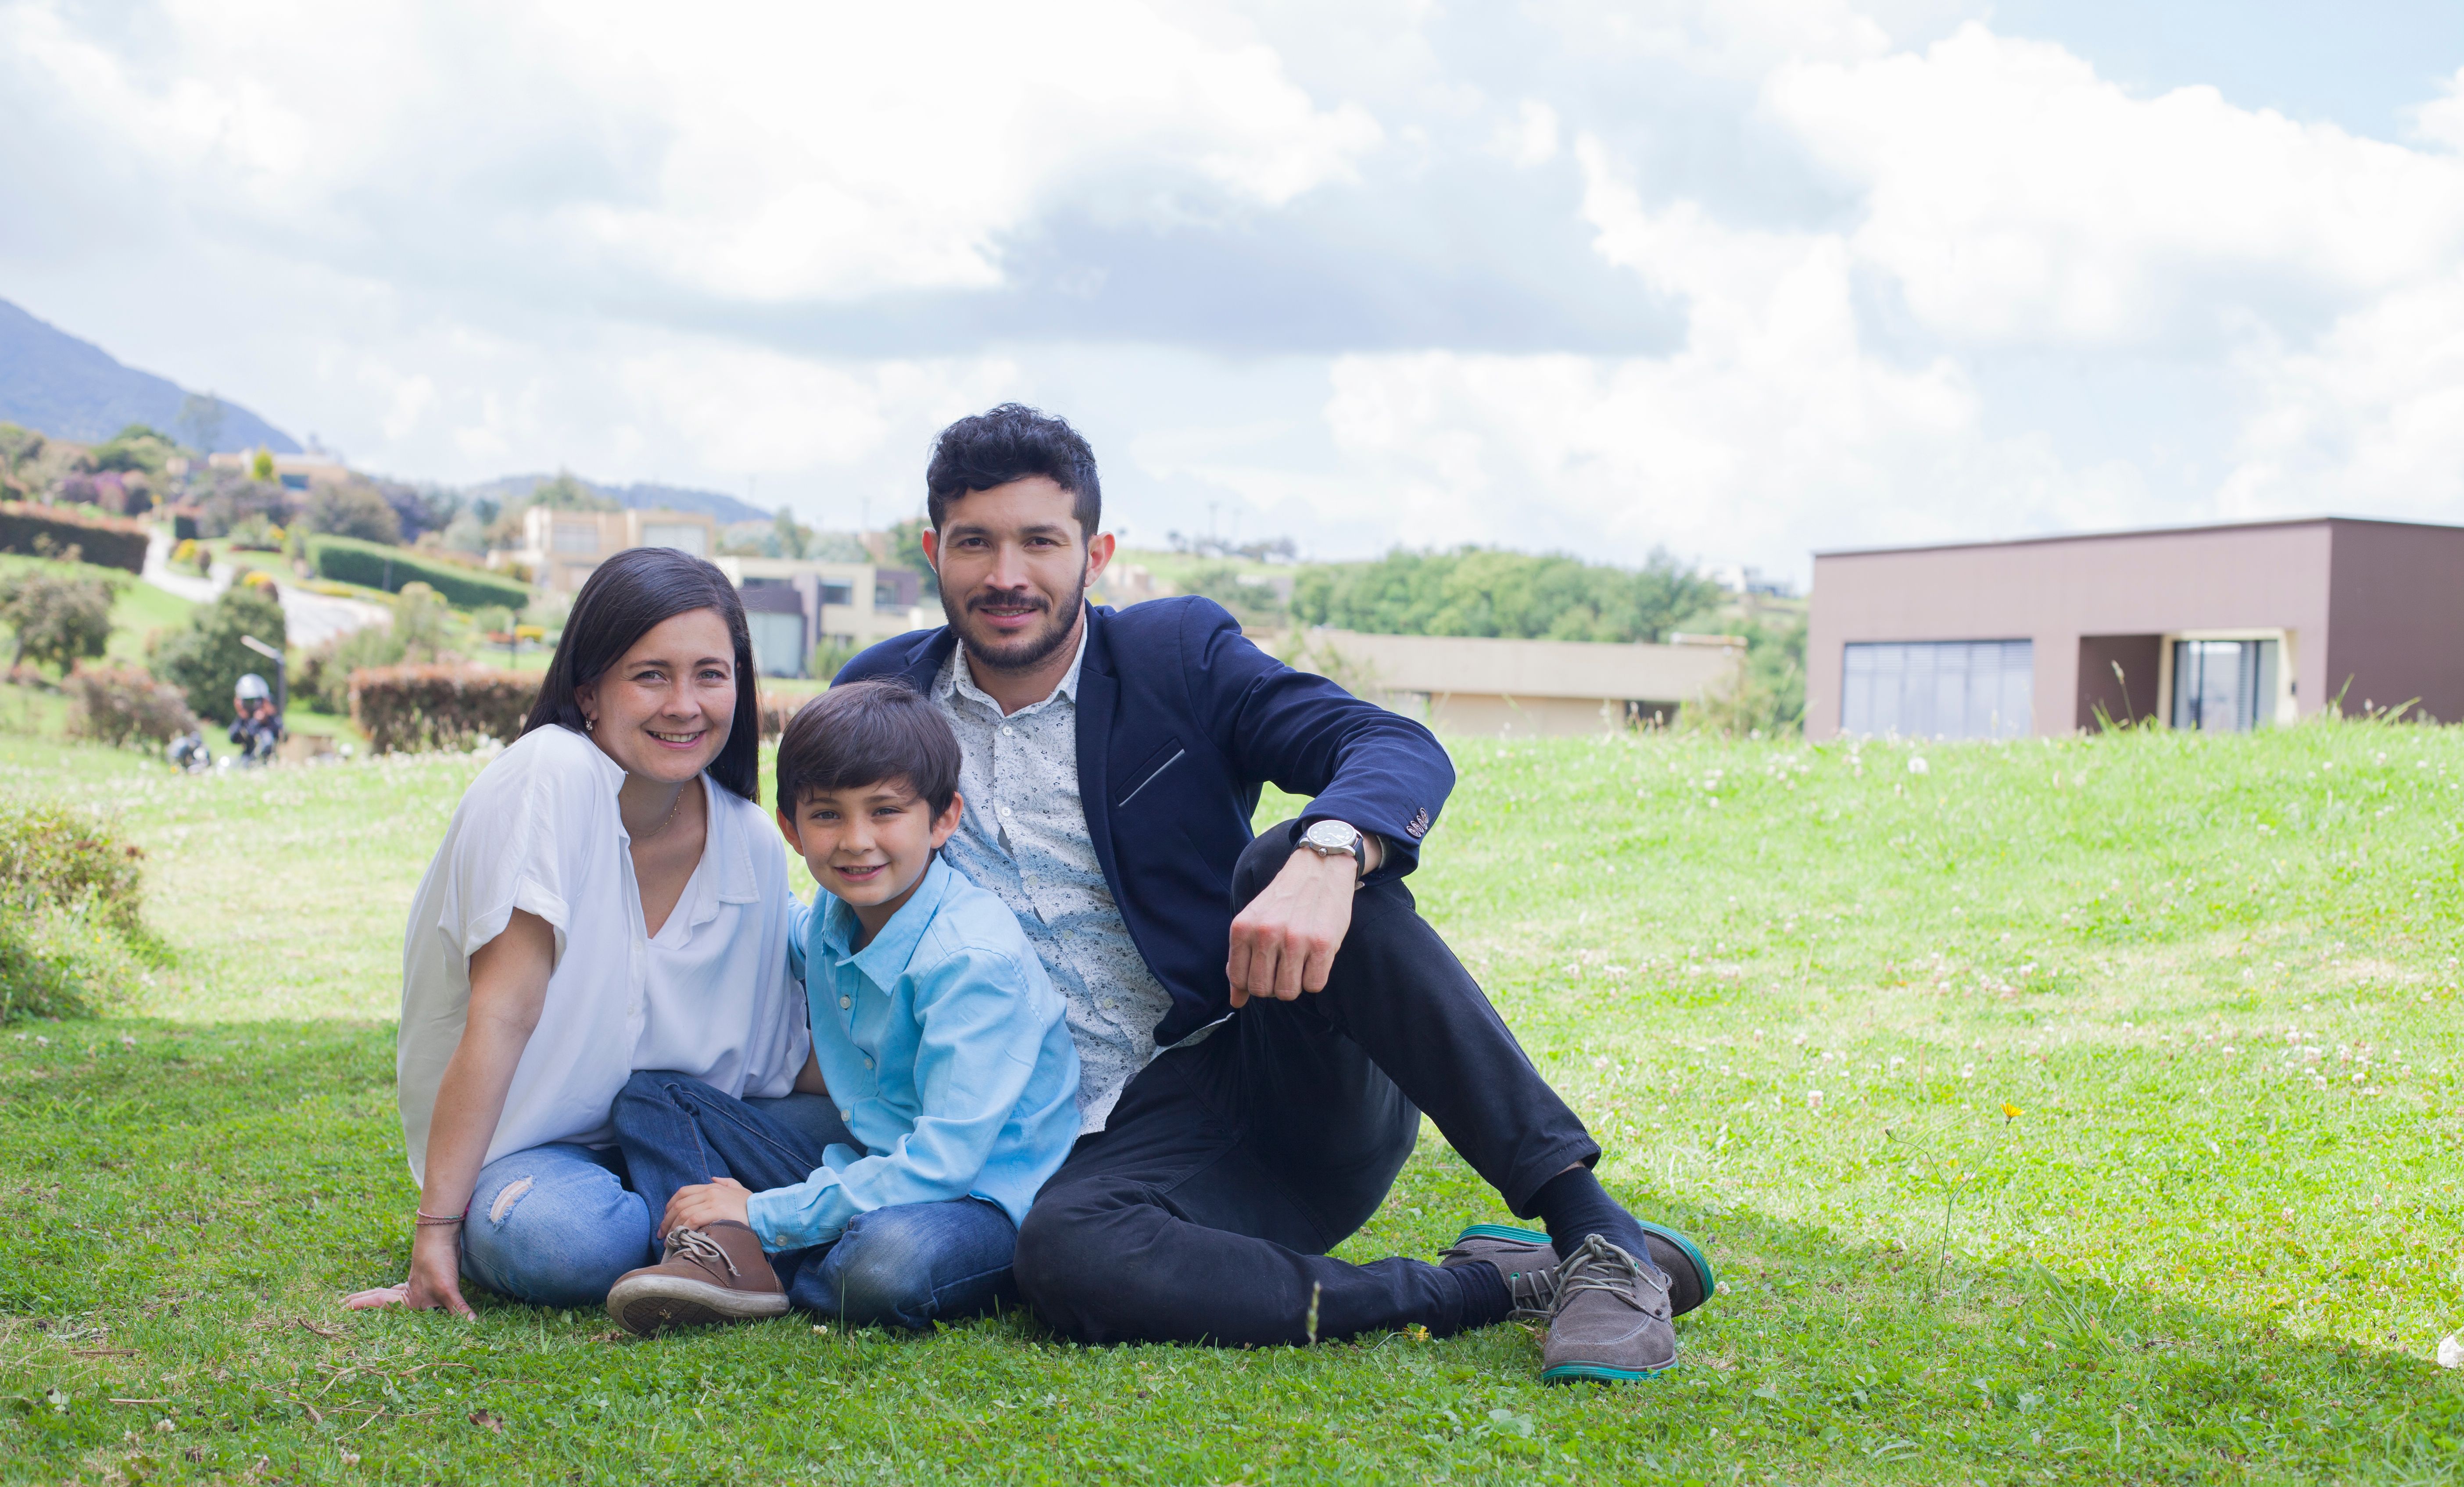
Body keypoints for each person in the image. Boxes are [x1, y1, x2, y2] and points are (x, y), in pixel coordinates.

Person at [839, 404, 1716, 1384]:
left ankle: (1598, 1235)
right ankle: (1495, 1287)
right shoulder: (882, 700)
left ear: (1095, 554)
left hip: (1267, 1074)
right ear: (933, 552)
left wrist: (1330, 852)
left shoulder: (1176, 657)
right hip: (1082, 1143)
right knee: (1065, 1258)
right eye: (976, 543)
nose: (1007, 576)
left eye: (1040, 541)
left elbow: (1392, 745)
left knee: (1290, 855)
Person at [343, 547, 813, 1316]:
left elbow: (773, 1061)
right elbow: (503, 1012)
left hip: (684, 1136)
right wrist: (435, 1231)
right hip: (541, 1156)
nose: (685, 704)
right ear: (589, 690)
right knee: (573, 1243)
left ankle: (712, 1238)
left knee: (862, 1141)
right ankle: (715, 1241)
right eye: (651, 674)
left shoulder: (752, 838)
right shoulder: (550, 777)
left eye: (710, 673)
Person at [598, 680, 1082, 1335]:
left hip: (977, 1199)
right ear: (791, 830)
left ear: (943, 819)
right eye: (827, 815)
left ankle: (746, 1248)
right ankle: (725, 1252)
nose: (856, 841)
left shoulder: (973, 963)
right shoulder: (836, 914)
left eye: (885, 812)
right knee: (653, 1098)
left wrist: (767, 1212)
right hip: (867, 1154)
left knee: (884, 1267)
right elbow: (780, 934)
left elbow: (944, 1163)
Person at [229, 674, 281, 763]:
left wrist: (268, 717)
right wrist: (242, 717)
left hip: (269, 760)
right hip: (247, 758)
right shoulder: (245, 719)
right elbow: (233, 738)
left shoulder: (271, 721)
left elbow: (281, 734)